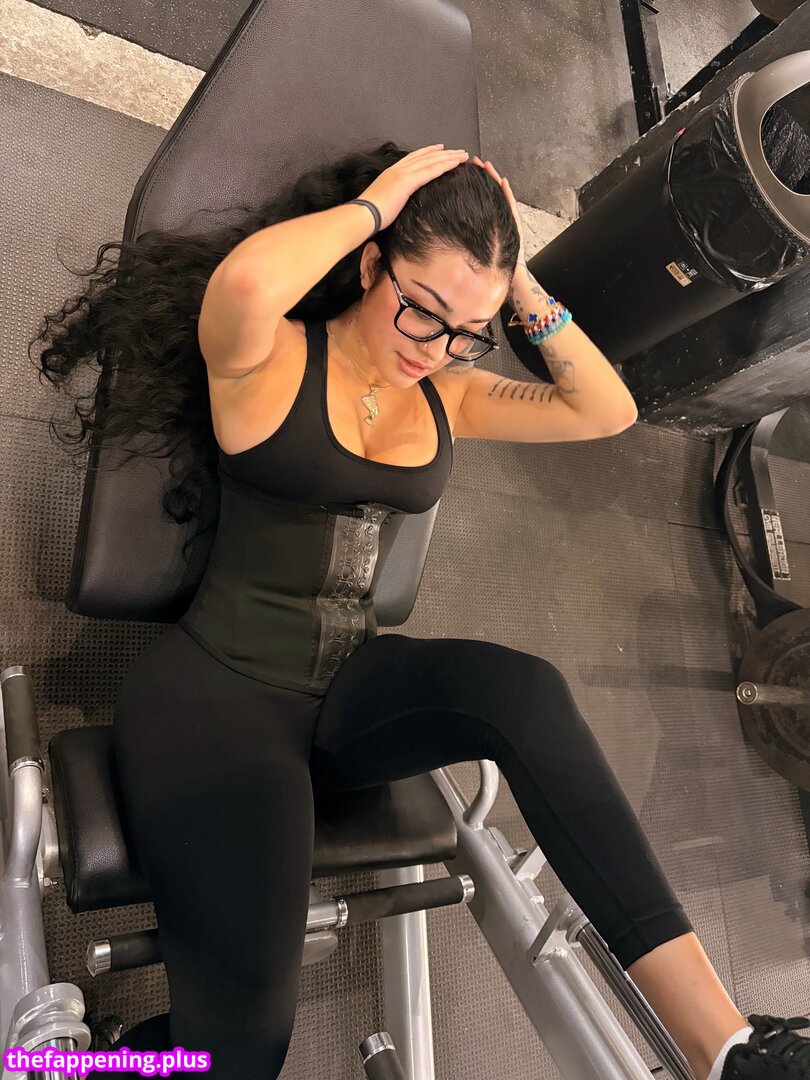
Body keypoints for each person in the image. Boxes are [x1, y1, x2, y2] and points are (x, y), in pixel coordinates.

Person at [33, 142, 810, 1080]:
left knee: (522, 692)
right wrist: (381, 199)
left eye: (462, 331)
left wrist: (516, 282)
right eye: (420, 308)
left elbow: (603, 409)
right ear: (372, 266)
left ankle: (724, 1047)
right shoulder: (269, 356)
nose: (432, 346)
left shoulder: (449, 392)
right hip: (218, 699)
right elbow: (245, 283)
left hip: (350, 686)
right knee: (242, 1052)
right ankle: (93, 1064)